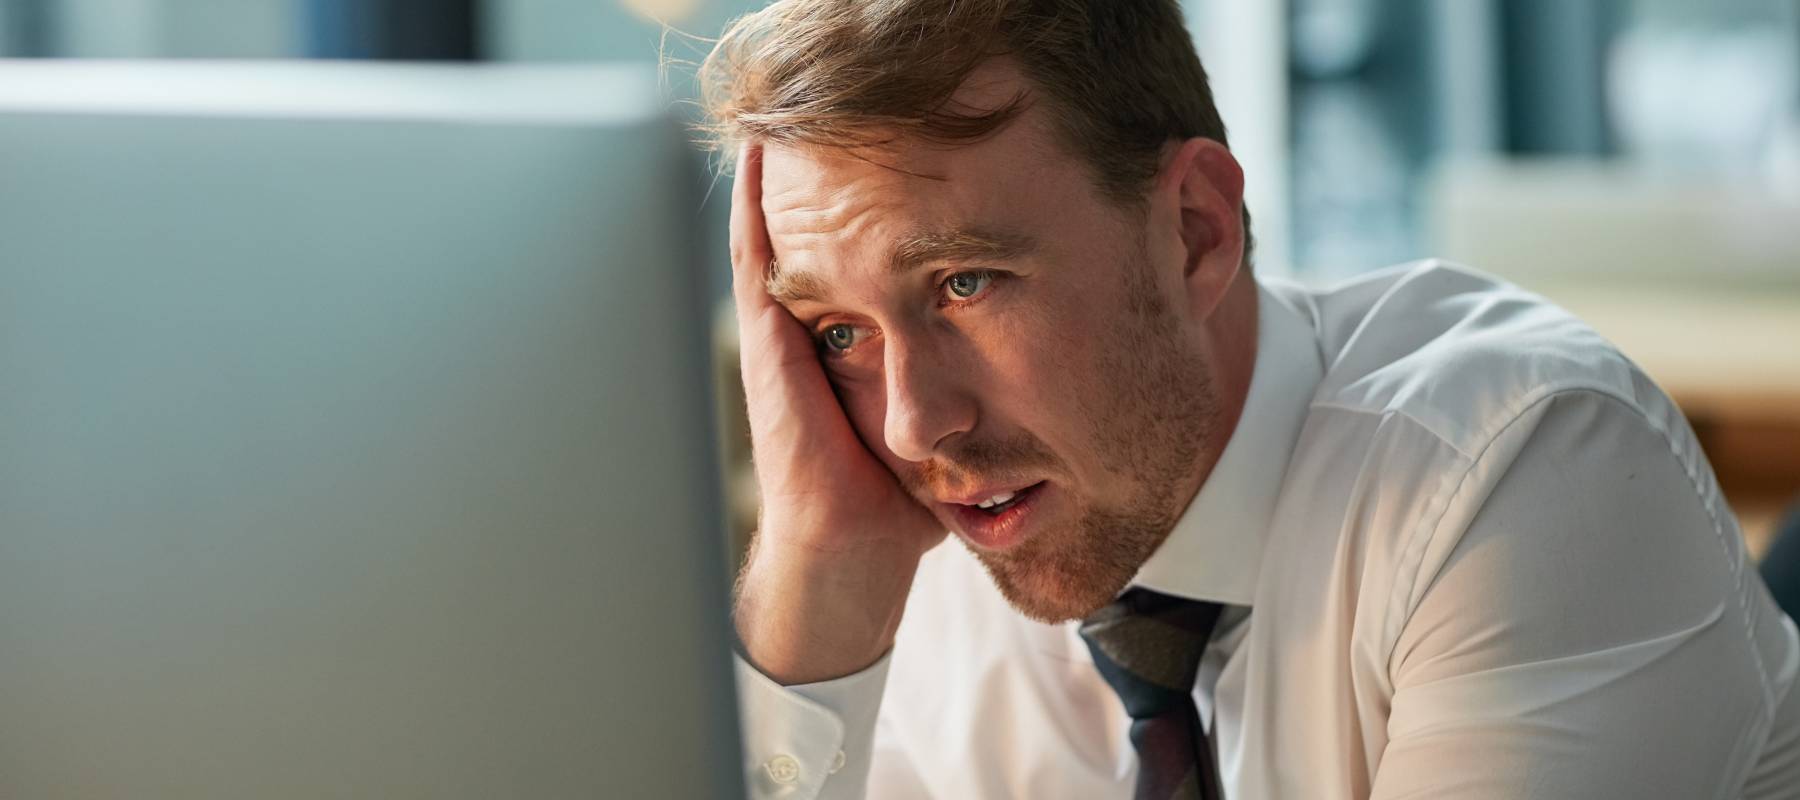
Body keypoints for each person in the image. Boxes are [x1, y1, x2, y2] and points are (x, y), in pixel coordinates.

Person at [702, 1, 1800, 797]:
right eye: (838, 332)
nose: (911, 425)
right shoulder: (929, 569)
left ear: (1196, 229)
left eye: (964, 282)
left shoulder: (1522, 471)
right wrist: (818, 585)